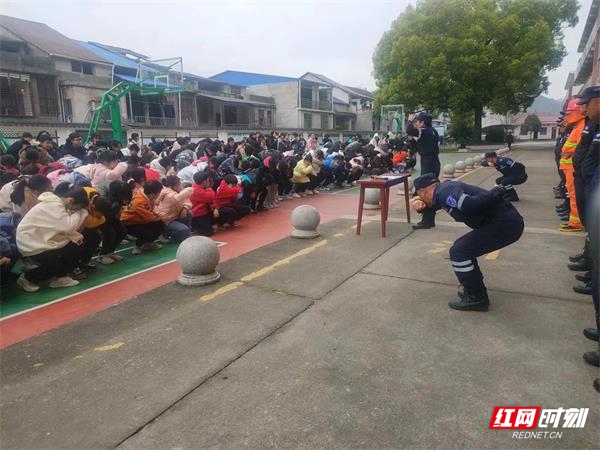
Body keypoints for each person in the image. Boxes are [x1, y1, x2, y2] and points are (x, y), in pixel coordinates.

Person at [412, 173, 524, 311]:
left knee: (460, 252)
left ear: (422, 191)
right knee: (463, 250)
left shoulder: (445, 192)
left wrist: (497, 190)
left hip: (506, 224)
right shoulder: (443, 191)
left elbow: (469, 205)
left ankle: (476, 297)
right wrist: (423, 207)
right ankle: (476, 292)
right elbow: (440, 204)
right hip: (502, 222)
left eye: (419, 195)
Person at [15, 186, 89, 292]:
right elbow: (67, 226)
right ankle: (27, 278)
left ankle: (61, 277)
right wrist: (82, 213)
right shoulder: (54, 206)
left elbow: (61, 228)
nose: (75, 210)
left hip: (40, 239)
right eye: (77, 207)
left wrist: (76, 236)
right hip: (30, 243)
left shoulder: (57, 204)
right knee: (54, 262)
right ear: (71, 200)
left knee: (76, 245)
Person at [406, 113, 441, 229]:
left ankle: (427, 221)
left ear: (422, 123)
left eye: (418, 121)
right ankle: (429, 219)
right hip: (434, 162)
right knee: (431, 191)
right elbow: (420, 146)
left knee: (425, 191)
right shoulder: (433, 131)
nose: (416, 123)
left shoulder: (424, 131)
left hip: (428, 162)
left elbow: (409, 130)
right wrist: (412, 140)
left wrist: (409, 121)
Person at [120, 181, 165, 255]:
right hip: (128, 223)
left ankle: (148, 243)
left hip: (140, 220)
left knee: (161, 225)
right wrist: (161, 216)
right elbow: (149, 217)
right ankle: (138, 246)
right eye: (159, 192)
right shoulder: (139, 201)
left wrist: (159, 217)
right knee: (147, 233)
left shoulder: (147, 197)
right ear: (153, 194)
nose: (159, 194)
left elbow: (150, 213)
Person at [155, 175, 193, 243]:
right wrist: (185, 190)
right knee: (184, 230)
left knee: (189, 213)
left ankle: (185, 233)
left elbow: (188, 201)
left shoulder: (178, 192)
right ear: (172, 186)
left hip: (175, 216)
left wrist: (185, 208)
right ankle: (166, 235)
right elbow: (189, 191)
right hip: (167, 220)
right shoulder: (169, 194)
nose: (181, 185)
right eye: (179, 183)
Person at [190, 171, 216, 236]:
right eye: (208, 180)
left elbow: (212, 201)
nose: (208, 181)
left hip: (204, 212)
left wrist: (215, 208)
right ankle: (195, 228)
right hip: (197, 215)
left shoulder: (198, 188)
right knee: (207, 233)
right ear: (204, 181)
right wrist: (209, 189)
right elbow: (211, 197)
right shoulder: (196, 190)